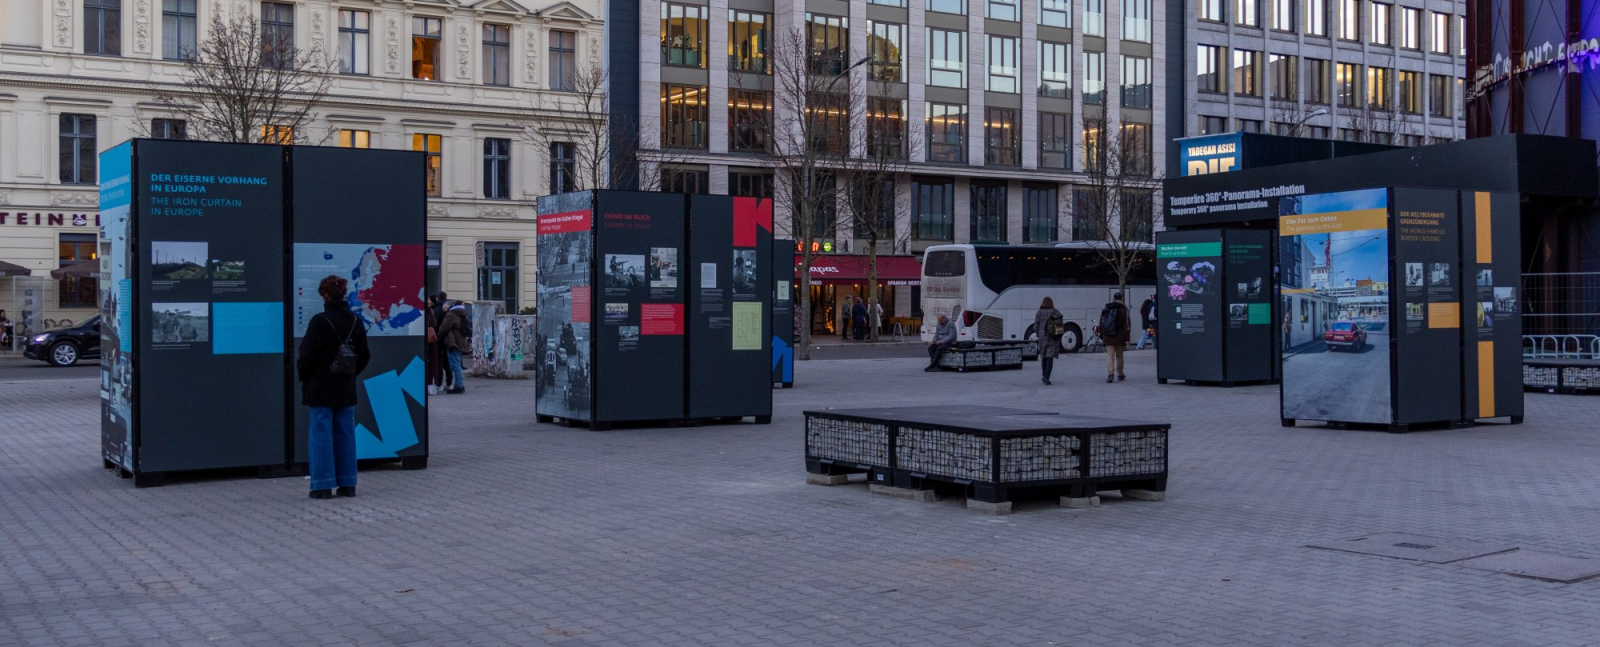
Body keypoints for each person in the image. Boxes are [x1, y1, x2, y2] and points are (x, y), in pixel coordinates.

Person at [296, 275, 371, 500]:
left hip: (321, 387)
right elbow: (364, 355)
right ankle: (348, 484)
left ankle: (322, 485)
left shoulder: (320, 321)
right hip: (345, 387)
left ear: (325, 295)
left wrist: (306, 376)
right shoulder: (355, 321)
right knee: (346, 433)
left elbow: (306, 356)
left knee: (321, 433)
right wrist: (349, 373)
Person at [1094, 292, 1132, 383]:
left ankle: (1110, 374)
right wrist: (1127, 339)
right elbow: (1126, 325)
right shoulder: (1123, 309)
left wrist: (1102, 335)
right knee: (1119, 356)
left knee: (1109, 356)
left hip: (1108, 336)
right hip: (1120, 336)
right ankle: (1120, 374)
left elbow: (1101, 323)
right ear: (1122, 298)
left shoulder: (1107, 307)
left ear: (1113, 298)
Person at [438, 302, 470, 394]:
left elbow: (444, 328)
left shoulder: (451, 315)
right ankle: (460, 385)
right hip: (461, 341)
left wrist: (439, 336)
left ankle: (459, 386)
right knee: (458, 364)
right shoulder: (463, 313)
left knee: (455, 365)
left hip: (453, 342)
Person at [1033, 297, 1064, 385]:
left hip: (1043, 337)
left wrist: (1038, 334)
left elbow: (1036, 325)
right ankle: (1047, 377)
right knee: (1050, 357)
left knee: (1044, 356)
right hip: (1053, 337)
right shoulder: (1056, 312)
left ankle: (1043, 375)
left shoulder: (1039, 312)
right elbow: (1060, 325)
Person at [424, 296, 441, 395]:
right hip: (432, 339)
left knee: (427, 362)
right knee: (433, 363)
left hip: (426, 340)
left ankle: (428, 386)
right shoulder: (430, 311)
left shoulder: (424, 311)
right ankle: (432, 386)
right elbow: (434, 323)